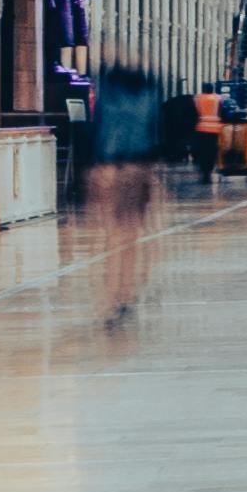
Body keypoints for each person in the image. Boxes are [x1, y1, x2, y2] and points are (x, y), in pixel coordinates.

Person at [81, 56, 169, 328]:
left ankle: (113, 297)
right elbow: (157, 135)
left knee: (112, 235)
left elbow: (94, 131)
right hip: (136, 167)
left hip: (109, 167)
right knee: (130, 234)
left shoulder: (108, 92)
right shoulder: (149, 92)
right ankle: (124, 293)